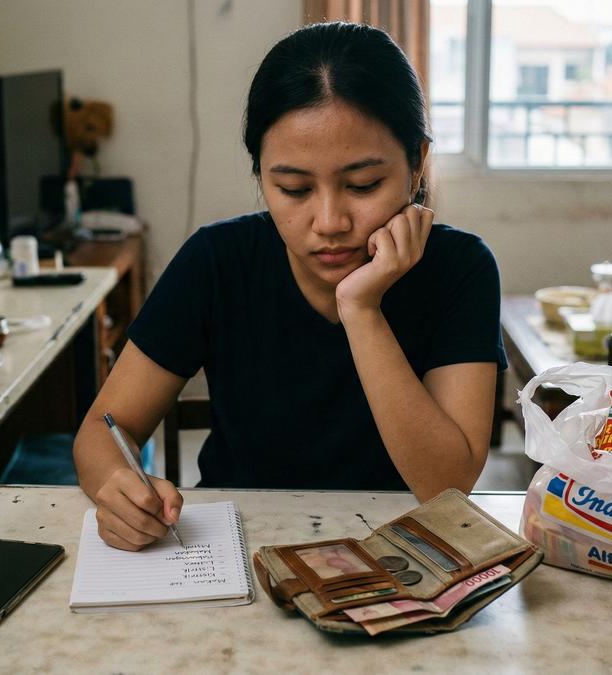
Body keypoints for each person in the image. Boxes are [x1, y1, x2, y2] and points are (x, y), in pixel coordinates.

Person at [73, 22, 506, 551]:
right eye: (294, 189)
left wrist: (361, 309)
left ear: (417, 163)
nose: (329, 221)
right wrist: (114, 486)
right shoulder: (218, 261)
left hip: (396, 555)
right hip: (239, 550)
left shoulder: (460, 269)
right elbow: (103, 427)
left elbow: (446, 485)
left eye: (363, 185)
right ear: (261, 174)